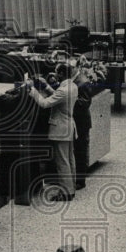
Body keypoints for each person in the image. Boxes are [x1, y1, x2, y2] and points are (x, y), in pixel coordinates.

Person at [27, 61, 79, 201]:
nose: (55, 74)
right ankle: (71, 188)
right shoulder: (72, 86)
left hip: (60, 129)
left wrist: (32, 90)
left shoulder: (64, 90)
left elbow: (45, 104)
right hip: (69, 127)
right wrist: (46, 86)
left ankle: (66, 193)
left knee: (62, 162)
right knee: (69, 160)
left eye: (57, 72)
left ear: (61, 73)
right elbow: (58, 96)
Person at [72, 67, 94, 190]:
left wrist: (68, 97)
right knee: (78, 150)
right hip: (77, 121)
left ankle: (81, 181)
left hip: (81, 123)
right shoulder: (77, 80)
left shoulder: (83, 82)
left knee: (81, 151)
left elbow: (85, 103)